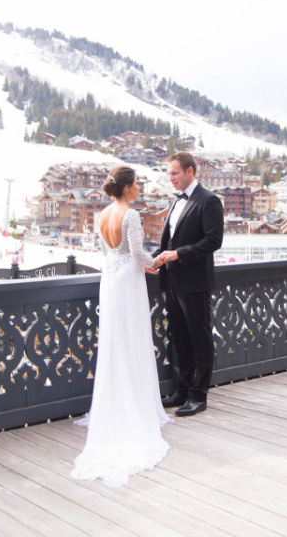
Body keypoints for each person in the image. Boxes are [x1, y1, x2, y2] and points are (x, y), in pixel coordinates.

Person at [71, 166, 172, 486]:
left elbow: (107, 253)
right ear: (127, 188)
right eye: (137, 183)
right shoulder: (131, 215)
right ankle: (136, 404)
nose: (139, 187)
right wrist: (158, 262)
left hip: (110, 280)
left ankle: (116, 399)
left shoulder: (102, 215)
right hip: (129, 279)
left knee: (116, 340)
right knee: (134, 339)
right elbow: (139, 253)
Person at [153, 151, 224, 417]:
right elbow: (169, 240)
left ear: (190, 172)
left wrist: (180, 254)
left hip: (195, 282)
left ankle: (198, 395)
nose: (170, 178)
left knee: (200, 339)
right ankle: (182, 390)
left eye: (175, 173)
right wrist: (158, 261)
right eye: (169, 173)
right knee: (179, 338)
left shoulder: (209, 200)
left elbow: (214, 241)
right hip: (172, 280)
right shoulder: (175, 202)